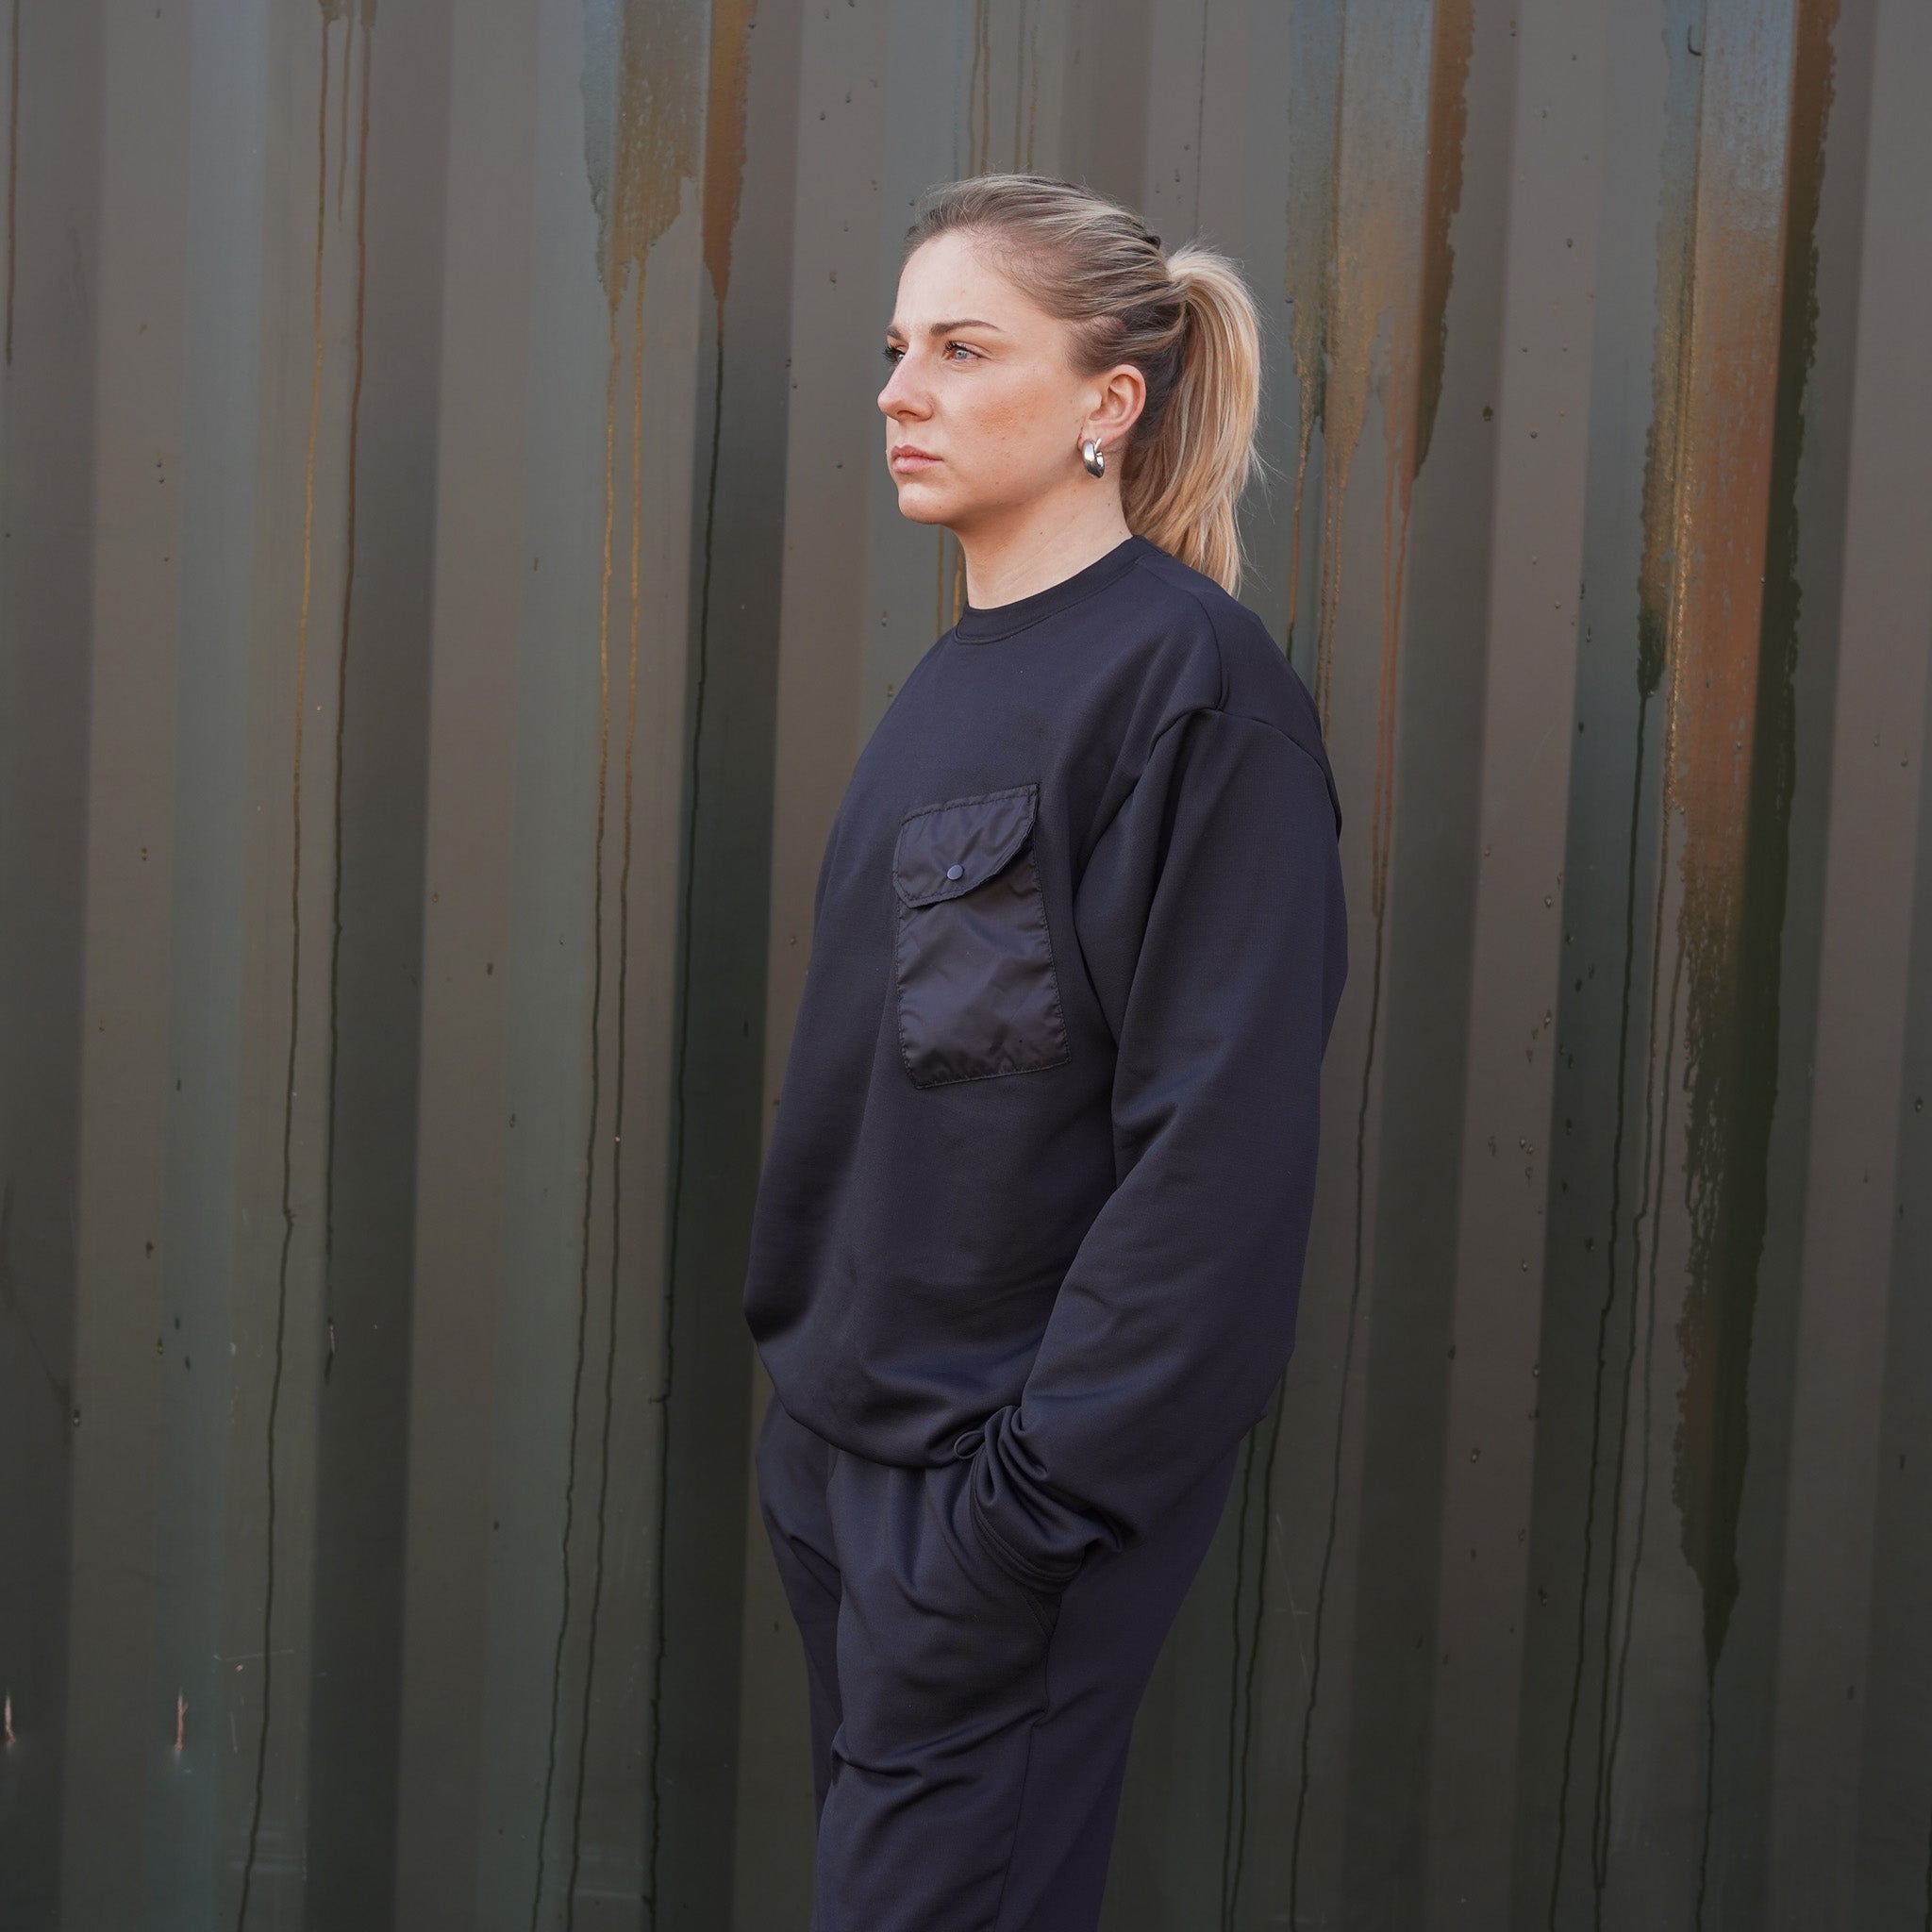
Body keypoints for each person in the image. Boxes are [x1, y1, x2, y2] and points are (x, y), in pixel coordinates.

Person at [741, 172, 1348, 1932]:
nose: (898, 391)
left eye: (962, 348)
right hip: (851, 1470)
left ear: (1110, 400)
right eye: (895, 348)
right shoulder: (954, 684)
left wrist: (1025, 1512)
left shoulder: (1197, 695)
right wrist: (818, 1440)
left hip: (993, 1509)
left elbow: (1218, 1166)